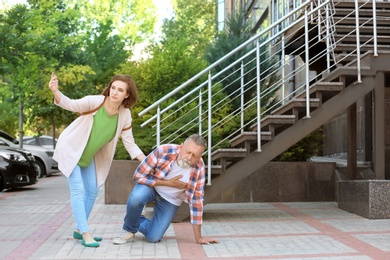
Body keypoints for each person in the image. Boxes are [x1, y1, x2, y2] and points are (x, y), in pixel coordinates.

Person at [48, 72, 146, 247]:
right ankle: (85, 233)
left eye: (120, 90)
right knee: (78, 190)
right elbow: (70, 104)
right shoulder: (95, 101)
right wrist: (56, 91)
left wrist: (146, 161)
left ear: (127, 95)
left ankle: (79, 229)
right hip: (72, 150)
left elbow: (130, 144)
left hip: (88, 157)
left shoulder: (125, 114)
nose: (115, 92)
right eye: (113, 88)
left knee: (92, 190)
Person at [112, 134, 220, 245]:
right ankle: (128, 230)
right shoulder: (163, 151)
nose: (190, 158)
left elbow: (196, 201)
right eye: (188, 152)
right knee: (136, 198)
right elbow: (138, 176)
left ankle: (137, 217)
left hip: (170, 199)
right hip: (152, 187)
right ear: (181, 146)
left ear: (200, 156)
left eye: (195, 155)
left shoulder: (199, 167)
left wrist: (199, 238)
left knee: (153, 237)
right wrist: (168, 183)